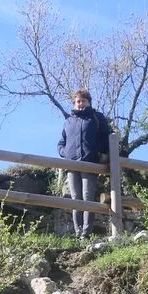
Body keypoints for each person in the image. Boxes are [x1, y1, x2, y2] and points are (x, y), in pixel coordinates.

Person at [56, 88, 111, 238]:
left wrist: (99, 153)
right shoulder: (68, 121)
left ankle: (86, 233)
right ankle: (78, 232)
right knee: (76, 199)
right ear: (74, 103)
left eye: (83, 101)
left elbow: (107, 138)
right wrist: (65, 153)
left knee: (88, 197)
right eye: (78, 101)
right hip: (71, 165)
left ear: (89, 102)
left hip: (90, 163)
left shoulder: (96, 118)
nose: (80, 104)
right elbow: (61, 143)